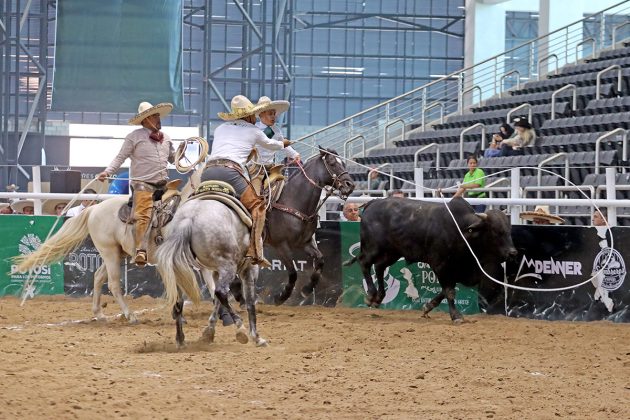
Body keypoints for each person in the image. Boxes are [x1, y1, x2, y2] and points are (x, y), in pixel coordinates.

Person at [201, 95, 292, 267]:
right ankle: (255, 250)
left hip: (207, 172)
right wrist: (285, 144)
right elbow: (273, 145)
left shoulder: (220, 128)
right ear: (250, 115)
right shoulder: (254, 131)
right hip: (231, 173)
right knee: (258, 206)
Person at [96, 102, 176, 266]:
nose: (158, 118)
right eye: (155, 116)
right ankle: (141, 249)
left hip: (164, 185)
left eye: (158, 115)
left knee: (180, 205)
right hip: (142, 184)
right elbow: (120, 157)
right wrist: (108, 172)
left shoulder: (166, 138)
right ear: (146, 119)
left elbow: (174, 158)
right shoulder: (134, 137)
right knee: (144, 214)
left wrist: (189, 156)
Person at [255, 96, 300, 165]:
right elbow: (280, 143)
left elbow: (284, 145)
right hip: (253, 166)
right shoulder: (254, 129)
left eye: (274, 114)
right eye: (270, 114)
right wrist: (282, 144)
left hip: (270, 166)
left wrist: (295, 155)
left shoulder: (276, 130)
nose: (273, 116)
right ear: (261, 115)